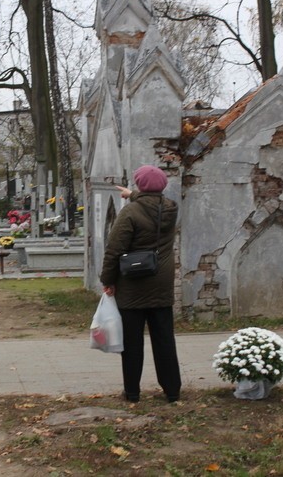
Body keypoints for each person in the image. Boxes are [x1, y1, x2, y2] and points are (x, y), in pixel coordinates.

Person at [100, 165, 181, 403]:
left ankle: (133, 392)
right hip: (162, 282)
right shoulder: (170, 209)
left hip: (133, 284)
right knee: (164, 338)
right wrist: (133, 195)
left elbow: (114, 249)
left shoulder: (130, 213)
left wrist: (108, 280)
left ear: (139, 185)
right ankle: (172, 390)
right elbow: (151, 203)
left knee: (132, 341)